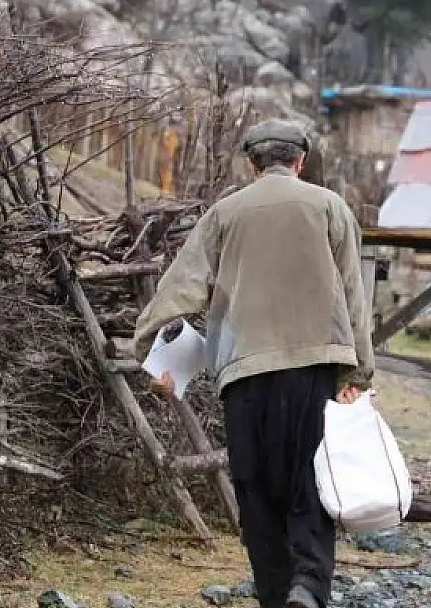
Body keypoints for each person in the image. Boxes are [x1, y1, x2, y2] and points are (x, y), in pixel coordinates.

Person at [131, 118, 375, 608]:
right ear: (301, 160)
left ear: (252, 162)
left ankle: (272, 593)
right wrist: (359, 372)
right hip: (315, 366)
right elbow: (354, 292)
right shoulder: (331, 207)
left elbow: (181, 285)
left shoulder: (226, 213)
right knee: (312, 479)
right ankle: (307, 585)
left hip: (245, 373)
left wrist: (148, 352)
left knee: (256, 489)